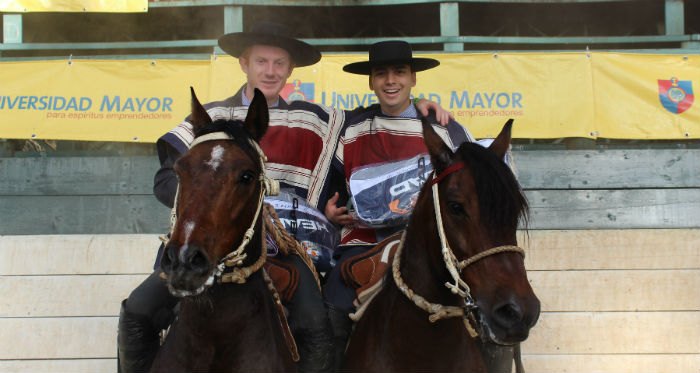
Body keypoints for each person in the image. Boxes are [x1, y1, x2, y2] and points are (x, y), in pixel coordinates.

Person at [118, 23, 451, 373]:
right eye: (262, 61)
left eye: (279, 64)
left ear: (290, 70)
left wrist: (418, 104)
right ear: (244, 63)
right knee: (138, 309)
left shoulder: (315, 118)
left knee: (315, 321)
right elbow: (166, 179)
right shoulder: (211, 117)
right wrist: (206, 208)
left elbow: (382, 113)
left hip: (286, 243)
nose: (270, 71)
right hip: (204, 240)